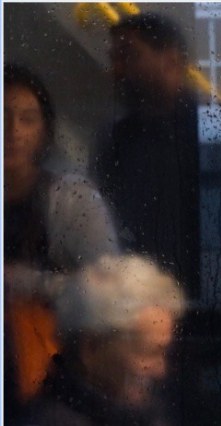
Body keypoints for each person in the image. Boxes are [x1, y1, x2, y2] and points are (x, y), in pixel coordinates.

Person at [4, 64, 119, 421]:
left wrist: (27, 284)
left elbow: (110, 290)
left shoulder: (71, 200)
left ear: (44, 131)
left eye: (27, 119)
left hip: (54, 380)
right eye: (3, 116)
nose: (12, 131)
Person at [93, 12, 200, 298]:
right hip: (137, 303)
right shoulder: (116, 138)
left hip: (207, 307)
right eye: (113, 57)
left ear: (170, 60)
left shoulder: (216, 131)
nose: (115, 70)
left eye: (129, 55)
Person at [23, 255, 186, 426]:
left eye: (163, 352)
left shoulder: (143, 414)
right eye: (149, 352)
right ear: (91, 348)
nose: (161, 370)